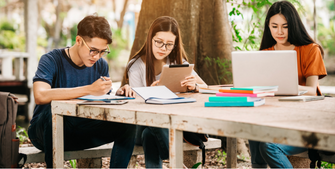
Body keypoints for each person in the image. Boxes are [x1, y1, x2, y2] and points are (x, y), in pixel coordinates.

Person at [28, 14, 136, 168]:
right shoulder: (51, 60)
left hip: (81, 131)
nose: (97, 57)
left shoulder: (101, 66)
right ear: (78, 40)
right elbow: (40, 95)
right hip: (44, 133)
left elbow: (101, 101)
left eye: (102, 51)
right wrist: (89, 89)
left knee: (128, 126)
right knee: (52, 111)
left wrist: (116, 94)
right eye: (93, 50)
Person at [249, 1, 327, 168]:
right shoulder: (264, 54)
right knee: (253, 130)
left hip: (305, 126)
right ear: (268, 26)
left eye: (285, 26)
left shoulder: (311, 50)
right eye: (274, 26)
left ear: (293, 25)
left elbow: (313, 91)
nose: (279, 32)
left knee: (269, 146)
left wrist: (283, 86)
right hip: (275, 120)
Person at [122, 16, 207, 168]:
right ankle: (177, 163)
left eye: (169, 44)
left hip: (170, 127)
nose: (163, 48)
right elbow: (135, 109)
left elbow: (206, 87)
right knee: (152, 125)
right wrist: (151, 94)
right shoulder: (136, 66)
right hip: (140, 126)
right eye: (159, 42)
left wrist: (195, 86)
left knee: (149, 134)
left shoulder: (177, 63)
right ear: (150, 39)